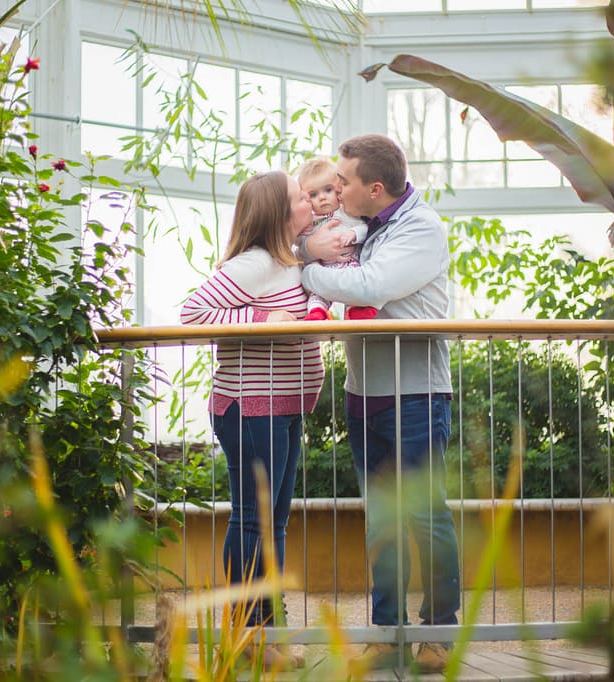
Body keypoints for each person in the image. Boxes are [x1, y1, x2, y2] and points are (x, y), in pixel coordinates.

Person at [300, 134, 461, 673]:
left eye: (343, 181)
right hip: (364, 393)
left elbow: (370, 286)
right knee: (381, 522)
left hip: (416, 394)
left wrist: (307, 272)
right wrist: (309, 251)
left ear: (374, 188)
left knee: (424, 514)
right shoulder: (362, 224)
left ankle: (439, 630)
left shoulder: (421, 228)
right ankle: (385, 632)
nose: (335, 187)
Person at [180, 170, 324, 671]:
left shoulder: (288, 262)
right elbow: (192, 315)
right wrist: (263, 321)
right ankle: (249, 634)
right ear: (277, 214)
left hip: (282, 405)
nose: (309, 200)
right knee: (252, 520)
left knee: (273, 523)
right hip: (251, 406)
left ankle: (269, 631)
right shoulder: (255, 263)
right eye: (298, 197)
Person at [296, 157, 377, 321]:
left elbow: (366, 228)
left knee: (354, 282)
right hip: (323, 268)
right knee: (317, 293)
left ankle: (357, 309)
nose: (322, 197)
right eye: (313, 194)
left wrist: (354, 234)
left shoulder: (347, 212)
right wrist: (309, 246)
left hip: (349, 263)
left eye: (328, 190)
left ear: (338, 190)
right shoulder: (309, 221)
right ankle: (317, 312)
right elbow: (298, 242)